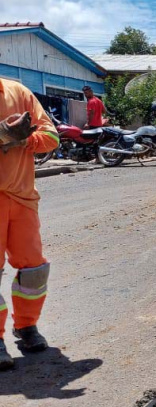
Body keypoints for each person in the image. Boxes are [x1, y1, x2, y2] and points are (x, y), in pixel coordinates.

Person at [0, 78, 61, 368]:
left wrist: (25, 139)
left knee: (34, 270)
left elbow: (52, 137)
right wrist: (3, 134)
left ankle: (26, 327)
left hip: (22, 198)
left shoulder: (19, 92)